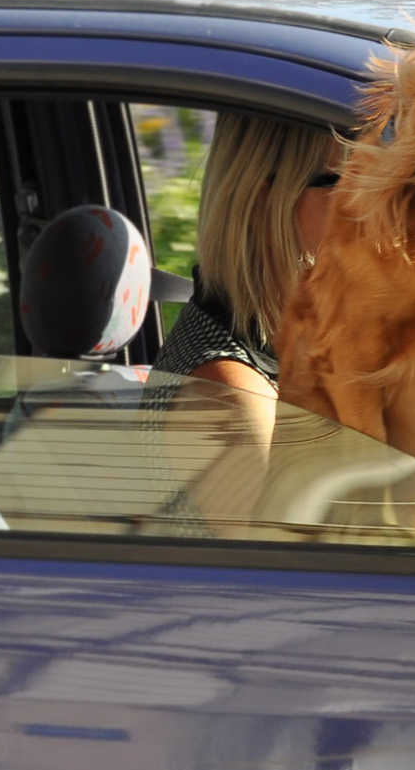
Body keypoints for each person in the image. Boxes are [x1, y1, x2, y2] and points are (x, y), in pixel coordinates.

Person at [146, 112, 344, 527]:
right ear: (265, 201)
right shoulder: (227, 397)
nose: (382, 205)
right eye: (351, 181)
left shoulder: (287, 349)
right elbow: (303, 577)